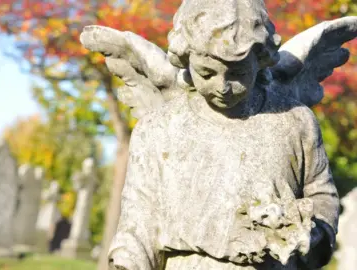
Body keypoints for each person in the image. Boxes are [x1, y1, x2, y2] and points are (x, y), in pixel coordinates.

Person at [107, 0, 340, 269]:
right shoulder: (159, 128)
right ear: (186, 59)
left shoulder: (294, 121)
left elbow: (322, 195)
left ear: (260, 61)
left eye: (238, 73)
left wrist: (311, 232)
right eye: (206, 72)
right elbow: (139, 218)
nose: (223, 87)